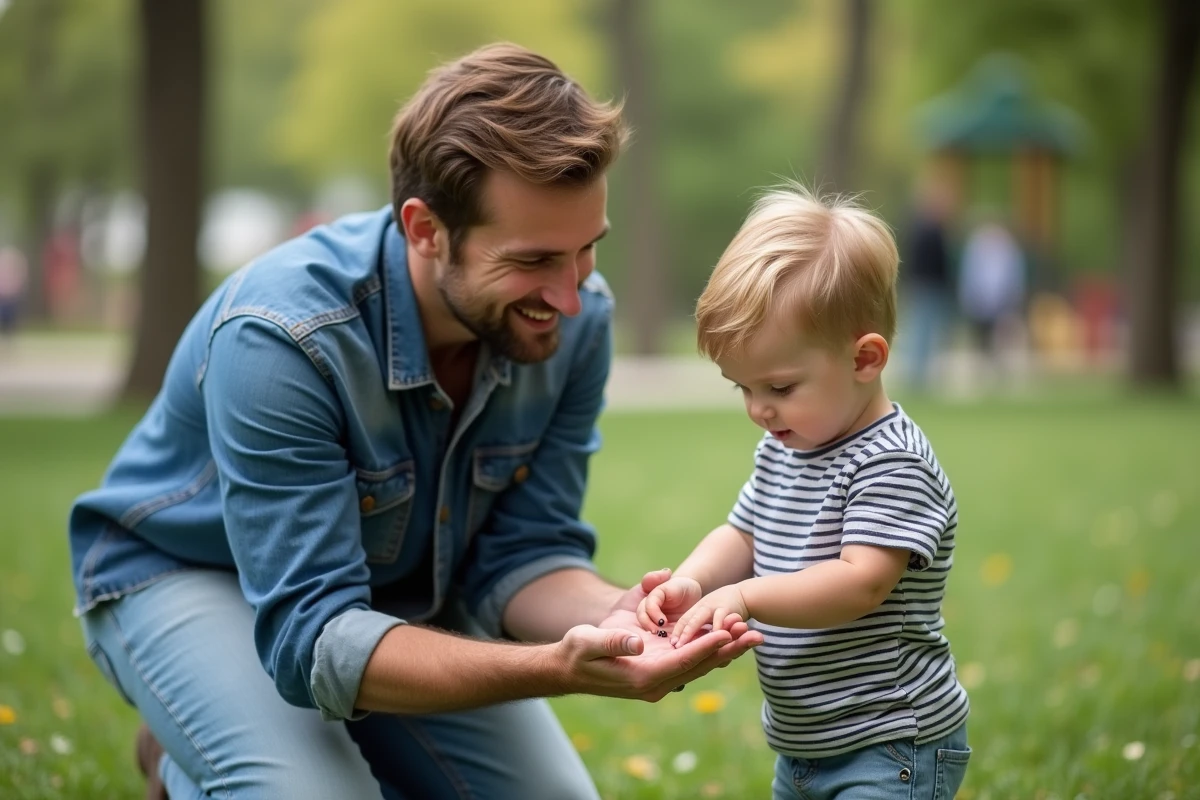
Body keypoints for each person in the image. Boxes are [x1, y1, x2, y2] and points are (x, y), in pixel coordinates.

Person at [69, 43, 760, 800]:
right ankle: (205, 734)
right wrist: (551, 668)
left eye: (587, 250)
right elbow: (314, 637)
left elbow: (524, 551)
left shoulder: (577, 324)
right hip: (189, 572)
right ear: (426, 229)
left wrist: (623, 619)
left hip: (382, 601)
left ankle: (259, 730)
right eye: (534, 260)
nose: (570, 295)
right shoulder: (284, 337)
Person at [636, 186, 971, 799]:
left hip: (891, 740)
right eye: (742, 387)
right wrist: (696, 581)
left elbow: (860, 582)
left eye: (781, 387)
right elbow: (744, 531)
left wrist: (745, 595)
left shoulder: (892, 461)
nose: (759, 409)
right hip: (805, 743)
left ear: (864, 359)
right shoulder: (787, 444)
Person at [899, 177, 956, 390]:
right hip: (926, 287)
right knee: (922, 331)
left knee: (925, 332)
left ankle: (920, 374)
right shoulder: (927, 230)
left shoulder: (926, 228)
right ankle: (916, 375)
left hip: (926, 287)